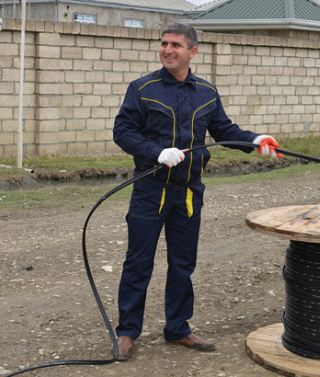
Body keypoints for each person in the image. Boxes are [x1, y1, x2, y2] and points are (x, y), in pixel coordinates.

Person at [111, 22, 282, 361]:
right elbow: (123, 131)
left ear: (192, 51)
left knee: (182, 265)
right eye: (164, 44)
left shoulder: (206, 92)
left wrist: (255, 140)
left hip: (189, 192)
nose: (167, 50)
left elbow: (223, 129)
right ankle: (127, 331)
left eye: (175, 44)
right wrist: (155, 152)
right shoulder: (142, 89)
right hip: (150, 190)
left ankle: (177, 329)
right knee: (138, 263)